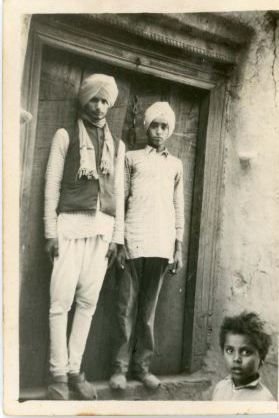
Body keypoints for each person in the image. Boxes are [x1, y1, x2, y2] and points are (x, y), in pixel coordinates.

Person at [44, 74, 125, 400]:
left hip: (102, 233)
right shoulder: (65, 136)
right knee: (59, 303)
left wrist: (117, 238)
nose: (99, 107)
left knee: (87, 304)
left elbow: (118, 191)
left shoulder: (116, 145)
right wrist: (50, 231)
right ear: (84, 101)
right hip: (69, 228)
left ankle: (75, 370)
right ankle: (58, 376)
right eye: (94, 99)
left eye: (105, 101)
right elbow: (51, 185)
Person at [109, 101, 184, 391]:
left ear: (170, 131)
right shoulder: (131, 158)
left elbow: (179, 208)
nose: (159, 131)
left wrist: (177, 247)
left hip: (161, 245)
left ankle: (142, 368)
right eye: (155, 124)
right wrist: (120, 240)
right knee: (125, 309)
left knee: (147, 314)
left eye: (164, 126)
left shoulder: (175, 165)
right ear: (147, 127)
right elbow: (120, 199)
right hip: (134, 242)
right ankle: (118, 370)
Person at [212, 312, 275, 401]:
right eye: (230, 351)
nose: (236, 358)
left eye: (245, 352)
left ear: (261, 357)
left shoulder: (264, 399)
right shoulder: (220, 388)